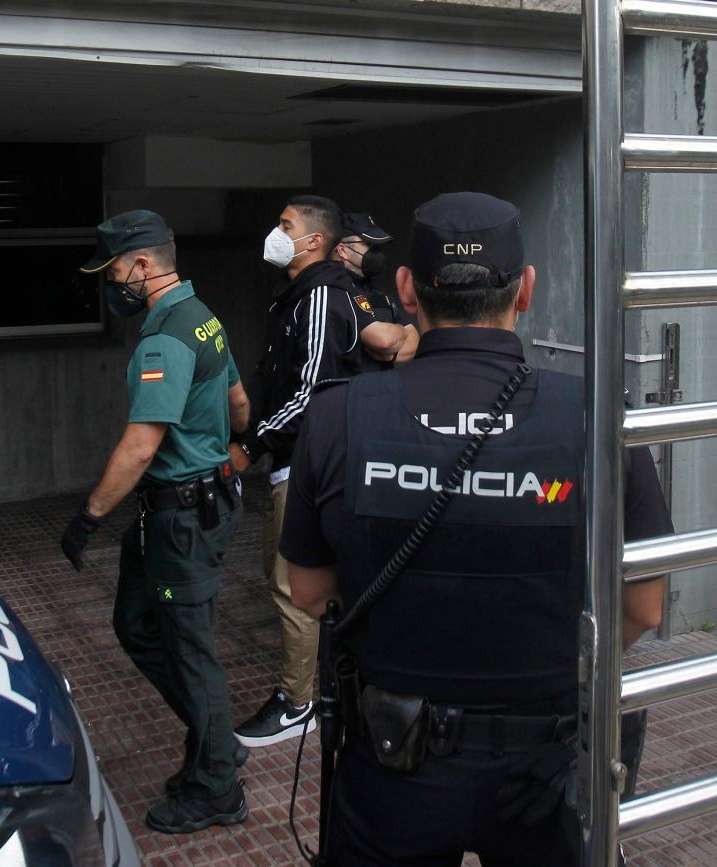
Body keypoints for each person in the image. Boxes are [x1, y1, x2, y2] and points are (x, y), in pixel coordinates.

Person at [281, 192, 672, 866]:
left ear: (405, 289)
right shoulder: (602, 416)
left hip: (390, 765)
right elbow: (642, 605)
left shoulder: (337, 416)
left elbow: (310, 592)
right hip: (545, 769)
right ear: (525, 289)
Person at [59, 209, 252, 834]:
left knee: (189, 651)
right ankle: (216, 737)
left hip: (184, 518)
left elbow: (142, 445)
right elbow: (240, 405)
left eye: (114, 270)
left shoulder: (166, 335)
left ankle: (217, 788)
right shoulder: (206, 319)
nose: (111, 283)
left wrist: (88, 517)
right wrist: (217, 439)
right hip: (192, 507)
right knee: (136, 621)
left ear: (143, 265)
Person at [229, 194, 410, 749]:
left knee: (291, 585)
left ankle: (297, 702)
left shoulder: (323, 295)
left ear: (312, 241)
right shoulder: (302, 293)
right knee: (320, 583)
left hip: (309, 461)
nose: (275, 233)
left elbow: (307, 391)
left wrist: (248, 448)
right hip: (309, 459)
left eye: (285, 225)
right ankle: (335, 686)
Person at [332, 211, 420, 369]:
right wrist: (400, 334)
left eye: (376, 246)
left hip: (381, 387)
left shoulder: (376, 289)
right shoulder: (335, 287)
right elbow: (384, 341)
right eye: (368, 245)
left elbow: (414, 340)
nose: (376, 252)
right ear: (342, 250)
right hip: (350, 389)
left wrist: (390, 355)